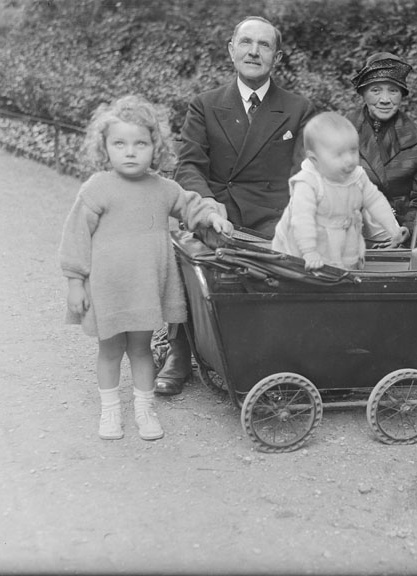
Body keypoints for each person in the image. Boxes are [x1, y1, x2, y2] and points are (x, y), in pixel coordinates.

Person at [155, 16, 315, 396]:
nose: (254, 51)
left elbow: (305, 172)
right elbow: (190, 164)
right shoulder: (206, 105)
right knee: (178, 249)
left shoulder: (298, 108)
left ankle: (273, 360)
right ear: (231, 49)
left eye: (264, 45)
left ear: (276, 56)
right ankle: (180, 349)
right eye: (246, 42)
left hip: (273, 220)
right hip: (217, 216)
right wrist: (206, 203)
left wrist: (293, 221)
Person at [59, 95, 233, 441]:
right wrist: (75, 282)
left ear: (156, 146)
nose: (130, 151)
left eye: (141, 143)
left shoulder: (163, 188)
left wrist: (211, 216)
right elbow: (75, 236)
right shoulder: (97, 188)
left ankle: (144, 408)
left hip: (145, 288)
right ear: (104, 147)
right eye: (119, 143)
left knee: (140, 350)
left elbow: (190, 206)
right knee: (109, 351)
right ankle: (110, 411)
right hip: (108, 289)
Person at [272, 112, 409, 270]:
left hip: (343, 240)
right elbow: (302, 220)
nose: (349, 160)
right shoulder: (308, 182)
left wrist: (392, 229)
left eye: (353, 151)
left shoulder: (357, 176)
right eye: (339, 154)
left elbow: (375, 201)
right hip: (305, 246)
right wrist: (309, 251)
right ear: (314, 159)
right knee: (307, 277)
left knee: (344, 272)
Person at [347, 52, 417, 247]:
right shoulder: (343, 130)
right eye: (376, 90)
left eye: (393, 91)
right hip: (348, 232)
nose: (385, 99)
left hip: (396, 235)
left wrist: (410, 231)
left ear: (402, 95)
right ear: (363, 93)